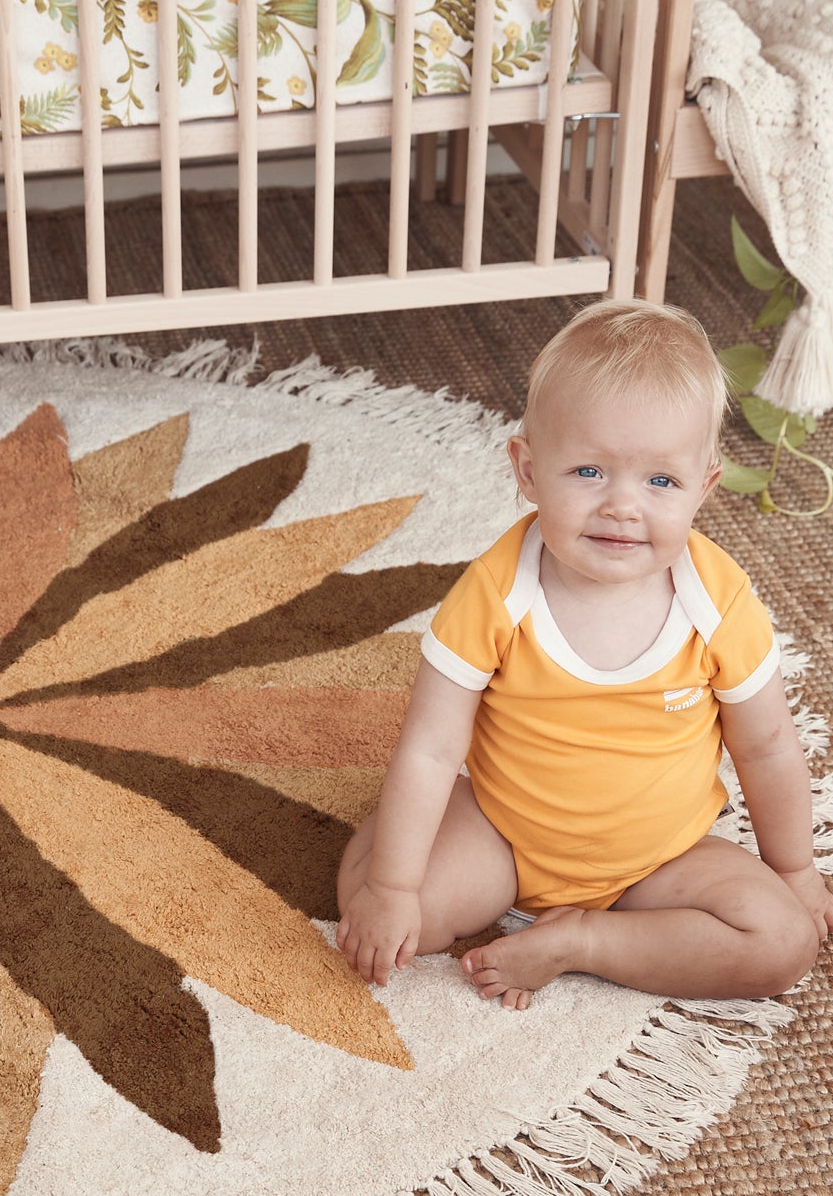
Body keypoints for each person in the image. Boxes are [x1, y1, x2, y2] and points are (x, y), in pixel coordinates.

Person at [335, 298, 831, 1011]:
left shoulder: (717, 602)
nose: (624, 506)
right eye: (589, 472)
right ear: (528, 471)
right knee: (377, 906)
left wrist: (795, 870)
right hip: (502, 835)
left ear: (704, 487)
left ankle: (584, 942)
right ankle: (398, 862)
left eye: (661, 481)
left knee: (783, 943)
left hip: (662, 861)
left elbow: (771, 747)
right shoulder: (495, 593)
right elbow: (430, 750)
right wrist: (392, 889)